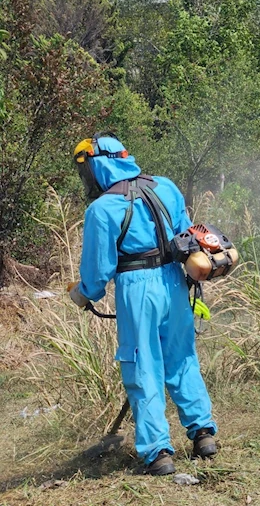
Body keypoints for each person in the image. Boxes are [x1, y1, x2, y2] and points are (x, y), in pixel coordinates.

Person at [68, 132, 217, 476]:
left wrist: (83, 293)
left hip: (137, 287)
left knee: (142, 365)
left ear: (98, 166)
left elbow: (98, 272)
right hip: (176, 283)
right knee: (181, 356)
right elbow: (187, 235)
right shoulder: (164, 186)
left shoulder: (102, 208)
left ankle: (158, 452)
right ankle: (203, 434)